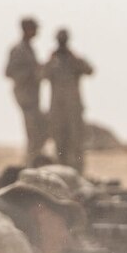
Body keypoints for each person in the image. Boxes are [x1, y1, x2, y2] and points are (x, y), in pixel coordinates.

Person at [42, 28, 93, 172]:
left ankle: (78, 173)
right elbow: (41, 75)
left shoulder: (73, 60)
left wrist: (74, 58)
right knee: (60, 144)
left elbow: (89, 70)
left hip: (73, 108)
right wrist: (51, 60)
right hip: (58, 110)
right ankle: (61, 172)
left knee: (76, 143)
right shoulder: (53, 61)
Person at [5, 17, 48, 164]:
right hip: (26, 98)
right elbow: (9, 72)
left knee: (38, 131)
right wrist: (31, 73)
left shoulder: (29, 49)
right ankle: (29, 163)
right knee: (34, 133)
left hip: (32, 98)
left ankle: (32, 161)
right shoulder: (19, 50)